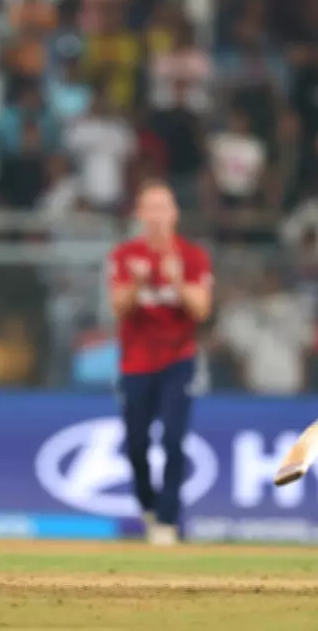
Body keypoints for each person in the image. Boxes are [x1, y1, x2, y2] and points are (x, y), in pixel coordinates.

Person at [107, 180, 213, 545]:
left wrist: (177, 280)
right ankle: (147, 504)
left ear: (174, 214)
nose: (156, 217)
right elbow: (118, 307)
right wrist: (137, 284)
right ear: (139, 214)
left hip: (178, 360)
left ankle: (167, 519)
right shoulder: (124, 255)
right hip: (135, 363)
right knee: (136, 443)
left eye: (162, 208)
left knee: (173, 439)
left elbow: (201, 309)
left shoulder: (193, 256)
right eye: (149, 208)